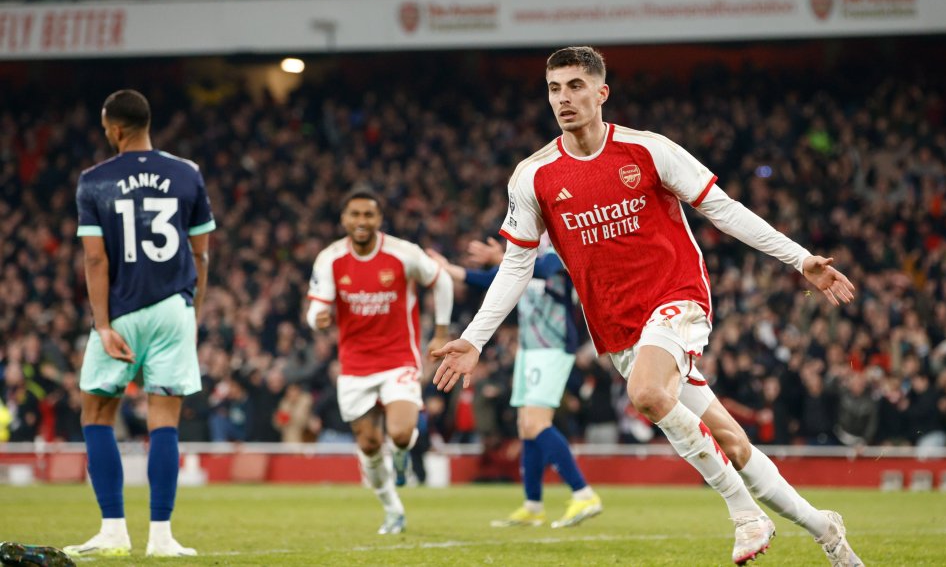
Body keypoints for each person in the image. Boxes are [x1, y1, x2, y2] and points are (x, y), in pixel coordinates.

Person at [431, 46, 863, 566]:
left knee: (647, 394)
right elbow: (517, 265)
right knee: (733, 442)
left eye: (574, 86)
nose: (563, 99)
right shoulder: (533, 176)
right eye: (553, 89)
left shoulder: (648, 150)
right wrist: (475, 339)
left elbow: (722, 209)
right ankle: (827, 531)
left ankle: (744, 512)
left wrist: (799, 260)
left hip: (677, 298)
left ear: (601, 92)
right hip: (618, 329)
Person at [67, 90, 215, 557]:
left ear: (115, 128)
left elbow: (95, 259)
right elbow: (202, 251)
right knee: (164, 419)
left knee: (96, 414)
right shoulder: (186, 173)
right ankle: (162, 538)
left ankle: (113, 531)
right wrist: (194, 312)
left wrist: (102, 325)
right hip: (174, 307)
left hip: (123, 312)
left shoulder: (94, 180)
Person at [305, 188, 453, 534]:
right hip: (355, 365)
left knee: (401, 433)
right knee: (369, 444)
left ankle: (402, 460)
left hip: (398, 358)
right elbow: (316, 307)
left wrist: (442, 332)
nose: (361, 221)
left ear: (379, 220)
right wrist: (317, 319)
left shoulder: (403, 254)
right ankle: (392, 509)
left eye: (368, 215)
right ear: (344, 220)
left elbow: (442, 280)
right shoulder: (330, 259)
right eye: (354, 214)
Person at [427, 236, 602, 528]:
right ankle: (533, 506)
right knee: (526, 425)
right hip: (530, 348)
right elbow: (495, 280)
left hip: (553, 345)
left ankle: (583, 494)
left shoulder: (561, 239)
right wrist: (449, 270)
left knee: (536, 423)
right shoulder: (528, 247)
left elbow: (546, 270)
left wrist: (503, 260)